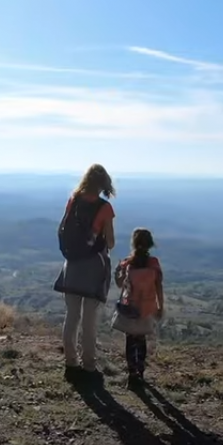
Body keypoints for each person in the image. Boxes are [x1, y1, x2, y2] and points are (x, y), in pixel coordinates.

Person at [54, 164, 116, 382]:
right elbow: (110, 241)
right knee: (90, 319)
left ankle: (71, 362)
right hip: (94, 268)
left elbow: (63, 228)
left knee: (72, 316)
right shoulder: (105, 208)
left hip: (71, 265)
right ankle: (89, 365)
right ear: (103, 184)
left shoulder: (73, 199)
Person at [113, 228, 163, 389]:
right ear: (150, 244)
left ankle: (132, 374)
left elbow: (120, 284)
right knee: (141, 340)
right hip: (147, 307)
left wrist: (117, 272)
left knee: (130, 340)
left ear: (133, 243)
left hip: (130, 307)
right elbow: (158, 286)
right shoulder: (154, 263)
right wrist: (160, 306)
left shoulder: (128, 263)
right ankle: (140, 372)